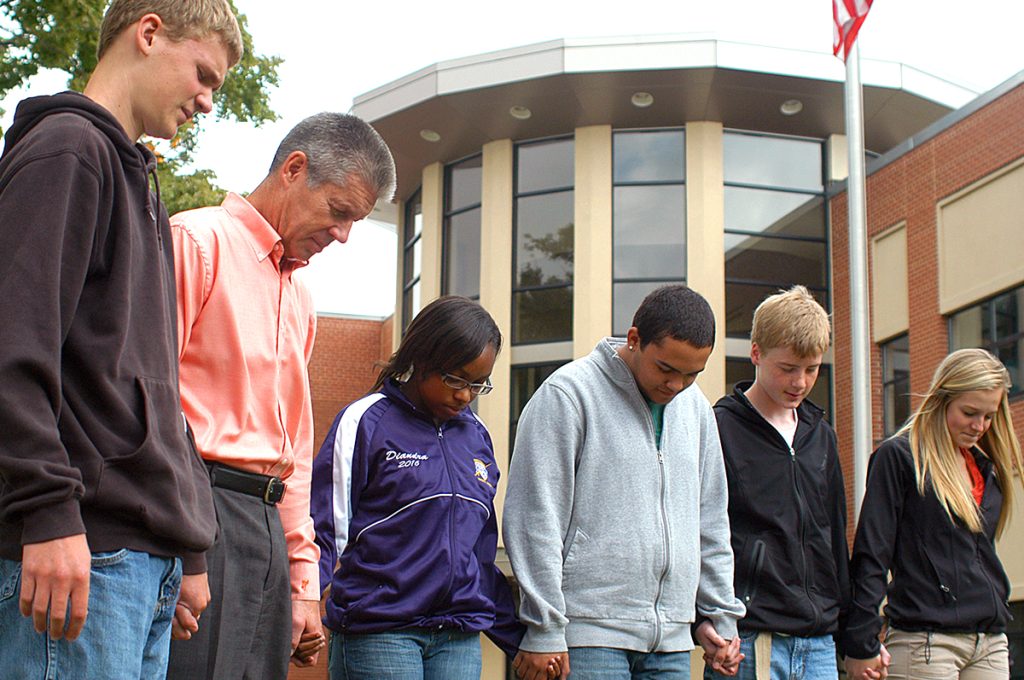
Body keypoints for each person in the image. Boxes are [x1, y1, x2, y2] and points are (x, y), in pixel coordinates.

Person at [0, 1, 241, 677]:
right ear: (149, 32)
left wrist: (187, 544)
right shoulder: (67, 151)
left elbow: (153, 382)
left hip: (138, 563)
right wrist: (45, 511)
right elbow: (13, 344)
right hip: (79, 553)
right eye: (203, 74)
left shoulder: (138, 179)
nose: (206, 101)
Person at [165, 112, 396, 679]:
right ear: (295, 169)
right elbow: (148, 403)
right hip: (198, 511)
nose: (343, 235)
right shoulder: (194, 243)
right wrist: (181, 547)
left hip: (264, 529)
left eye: (355, 222)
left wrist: (303, 584)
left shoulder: (300, 297)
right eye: (339, 212)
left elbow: (293, 451)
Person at [503, 284, 747, 680]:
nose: (676, 386)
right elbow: (536, 516)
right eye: (666, 369)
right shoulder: (569, 394)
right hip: (586, 635)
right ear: (634, 339)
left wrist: (720, 616)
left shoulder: (697, 408)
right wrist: (545, 626)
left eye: (691, 374)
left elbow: (711, 521)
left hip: (671, 641)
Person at [310, 296, 560, 680]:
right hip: (381, 633)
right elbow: (325, 528)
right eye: (456, 378)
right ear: (421, 357)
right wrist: (303, 602)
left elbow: (477, 556)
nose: (465, 395)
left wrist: (522, 641)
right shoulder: (365, 422)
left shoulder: (476, 437)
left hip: (457, 638)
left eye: (478, 384)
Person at [708, 286, 865, 680]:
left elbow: (833, 535)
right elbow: (704, 532)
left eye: (811, 369)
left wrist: (849, 630)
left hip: (819, 644)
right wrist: (707, 618)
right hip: (748, 638)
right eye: (788, 368)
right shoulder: (719, 429)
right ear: (756, 353)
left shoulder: (821, 434)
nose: (800, 382)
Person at [843, 348, 1023, 680]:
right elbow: (872, 555)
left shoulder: (986, 469)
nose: (979, 426)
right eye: (969, 412)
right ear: (942, 399)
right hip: (925, 643)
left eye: (989, 415)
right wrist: (860, 642)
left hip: (990, 642)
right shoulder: (899, 458)